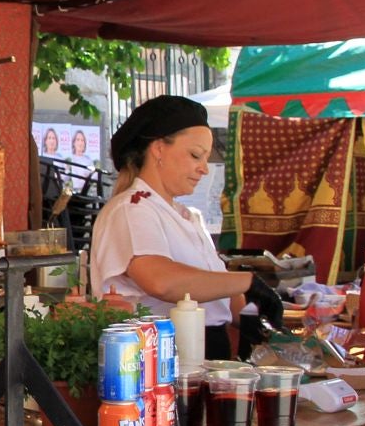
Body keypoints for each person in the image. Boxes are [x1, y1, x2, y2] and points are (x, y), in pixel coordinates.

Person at [88, 95, 282, 360]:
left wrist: (250, 317)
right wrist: (248, 282)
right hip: (161, 361)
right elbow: (161, 281)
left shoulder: (186, 216)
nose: (203, 169)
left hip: (207, 354)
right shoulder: (132, 209)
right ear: (158, 148)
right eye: (195, 155)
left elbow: (213, 284)